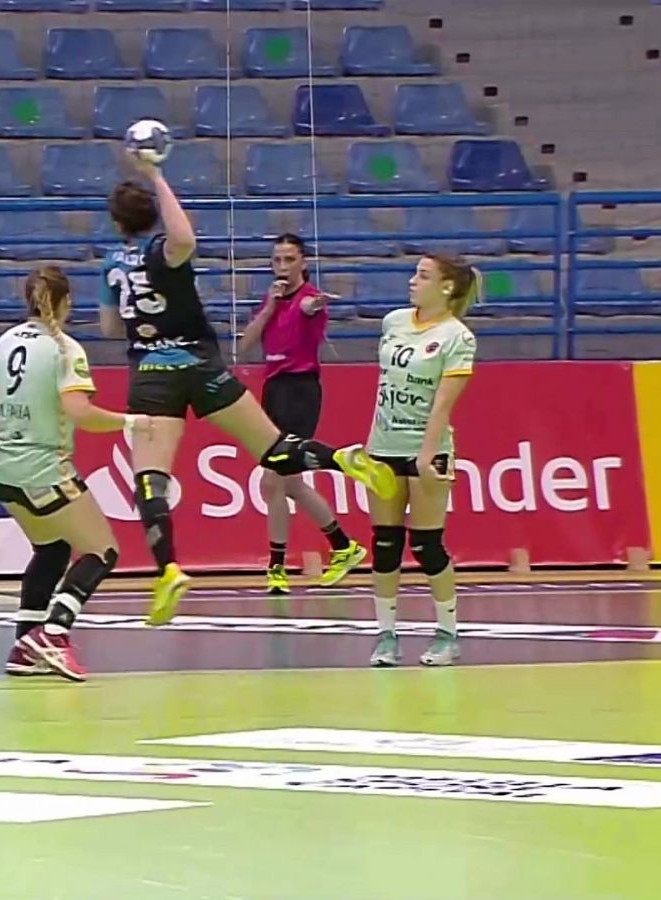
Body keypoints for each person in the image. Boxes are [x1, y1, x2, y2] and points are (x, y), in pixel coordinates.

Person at [98, 156, 400, 628]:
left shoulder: (112, 264)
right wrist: (158, 174)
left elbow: (109, 325)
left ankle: (169, 569)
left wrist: (142, 321)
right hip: (201, 364)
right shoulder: (164, 251)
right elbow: (185, 240)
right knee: (276, 450)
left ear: (117, 223)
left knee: (149, 479)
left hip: (152, 375)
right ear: (152, 215)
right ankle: (342, 459)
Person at [0, 266, 147, 682]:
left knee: (52, 549)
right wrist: (131, 423)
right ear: (66, 302)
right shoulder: (65, 348)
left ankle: (24, 647)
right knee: (101, 550)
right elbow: (80, 413)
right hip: (41, 468)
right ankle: (53, 632)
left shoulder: (4, 341)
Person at [366, 255, 479, 668]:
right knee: (384, 543)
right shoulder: (394, 321)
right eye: (415, 273)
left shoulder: (457, 337)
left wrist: (428, 452)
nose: (413, 281)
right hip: (383, 445)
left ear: (446, 287)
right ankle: (386, 636)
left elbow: (443, 404)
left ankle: (448, 633)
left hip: (425, 447)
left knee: (427, 545)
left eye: (423, 275)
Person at [237, 234, 366, 594]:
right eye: (277, 260)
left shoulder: (309, 299)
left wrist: (314, 306)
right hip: (273, 390)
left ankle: (277, 567)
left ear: (303, 263)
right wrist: (269, 308)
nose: (282, 267)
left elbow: (311, 307)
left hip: (300, 390)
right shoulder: (272, 300)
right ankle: (343, 546)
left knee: (272, 480)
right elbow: (245, 345)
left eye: (289, 260)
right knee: (289, 483)